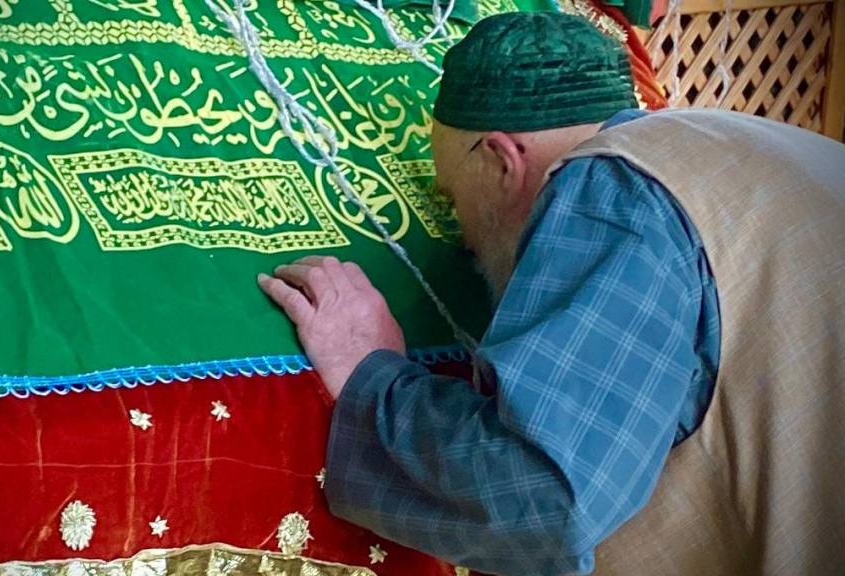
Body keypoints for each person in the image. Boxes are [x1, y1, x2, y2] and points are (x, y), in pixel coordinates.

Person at [257, 12, 845, 576]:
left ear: (501, 159)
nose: (463, 238)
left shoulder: (612, 191)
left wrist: (370, 371)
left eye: (453, 200)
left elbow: (542, 500)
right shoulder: (767, 144)